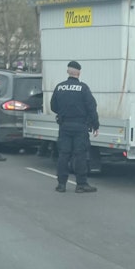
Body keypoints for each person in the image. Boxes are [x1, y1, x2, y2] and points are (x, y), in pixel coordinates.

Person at [50, 60, 99, 193]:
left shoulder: (59, 87)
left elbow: (53, 106)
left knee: (63, 155)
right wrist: (96, 125)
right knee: (80, 155)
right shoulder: (83, 88)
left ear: (68, 71)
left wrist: (63, 113)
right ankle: (81, 184)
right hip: (80, 126)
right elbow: (91, 107)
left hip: (64, 126)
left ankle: (61, 184)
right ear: (79, 72)